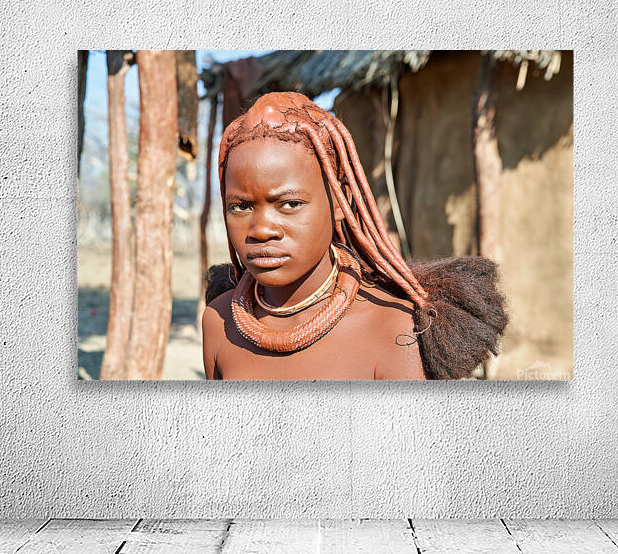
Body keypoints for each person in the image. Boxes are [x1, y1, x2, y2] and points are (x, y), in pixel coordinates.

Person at [202, 91, 507, 380]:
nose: (262, 230)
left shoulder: (394, 332)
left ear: (339, 202)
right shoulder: (219, 322)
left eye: (290, 204)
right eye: (240, 206)